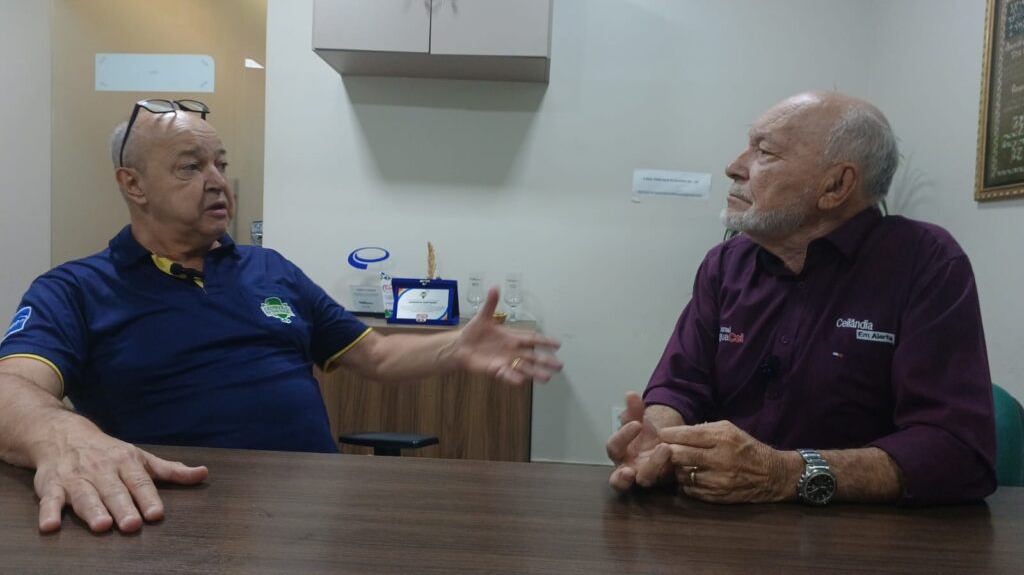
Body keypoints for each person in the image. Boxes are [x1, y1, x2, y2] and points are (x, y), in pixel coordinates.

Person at [0, 99, 562, 533]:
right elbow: (11, 389)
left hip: (308, 513)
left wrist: (455, 345)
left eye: (220, 164)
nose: (218, 181)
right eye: (191, 166)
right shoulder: (75, 289)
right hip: (169, 517)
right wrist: (59, 432)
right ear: (133, 184)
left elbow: (376, 354)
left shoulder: (270, 269)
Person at [606, 91, 996, 506]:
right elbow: (681, 384)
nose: (734, 166)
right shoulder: (725, 264)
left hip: (864, 532)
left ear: (836, 186)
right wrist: (658, 436)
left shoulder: (926, 262)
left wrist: (784, 473)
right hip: (723, 521)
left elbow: (957, 451)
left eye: (764, 152)